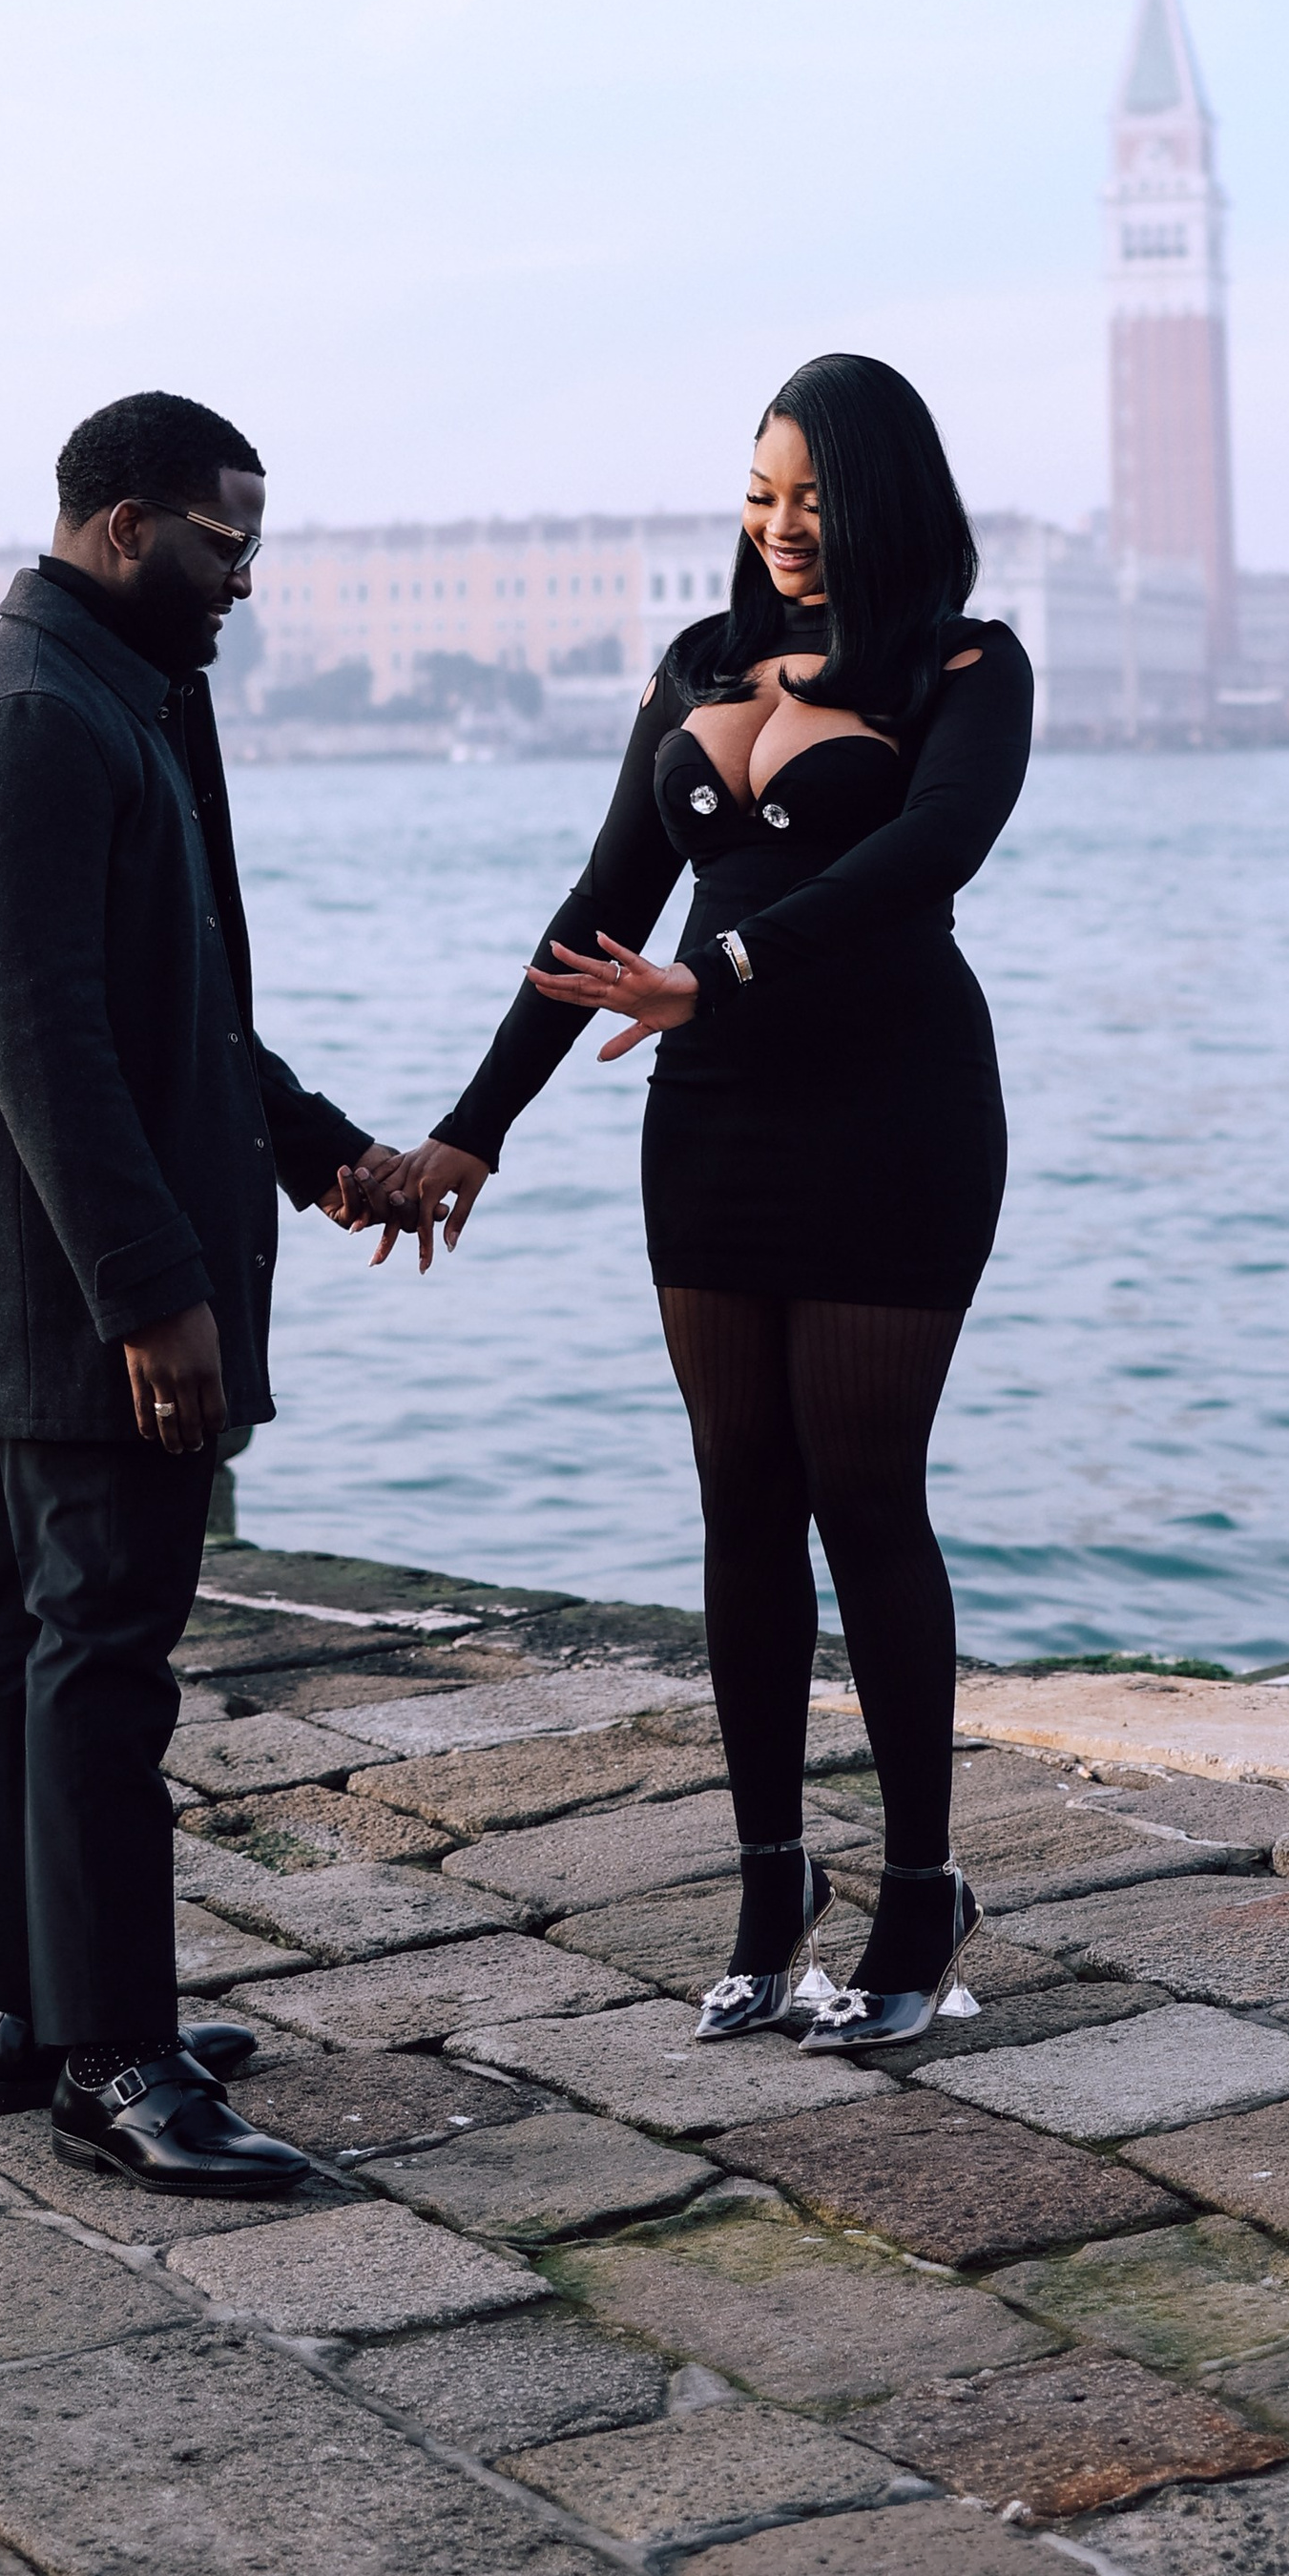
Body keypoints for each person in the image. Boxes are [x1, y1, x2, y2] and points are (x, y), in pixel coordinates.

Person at [372, 355, 1031, 2052]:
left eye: (815, 498)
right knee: (743, 1493)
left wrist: (720, 968)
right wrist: (474, 1131)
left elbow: (925, 857)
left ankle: (918, 1899)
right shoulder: (697, 666)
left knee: (865, 1491)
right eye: (760, 495)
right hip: (714, 1113)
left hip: (894, 1104)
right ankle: (766, 1890)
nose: (783, 529)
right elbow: (604, 908)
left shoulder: (970, 668)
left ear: (888, 499)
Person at [0, 388, 401, 2190]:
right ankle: (119, 2064)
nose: (245, 579)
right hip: (71, 1300)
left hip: (40, 1291)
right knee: (99, 1668)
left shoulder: (117, 690)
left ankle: (43, 2021)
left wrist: (324, 1151)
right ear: (125, 525)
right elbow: (47, 1045)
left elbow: (187, 1006)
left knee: (40, 1657)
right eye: (225, 540)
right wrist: (150, 1297)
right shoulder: (41, 716)